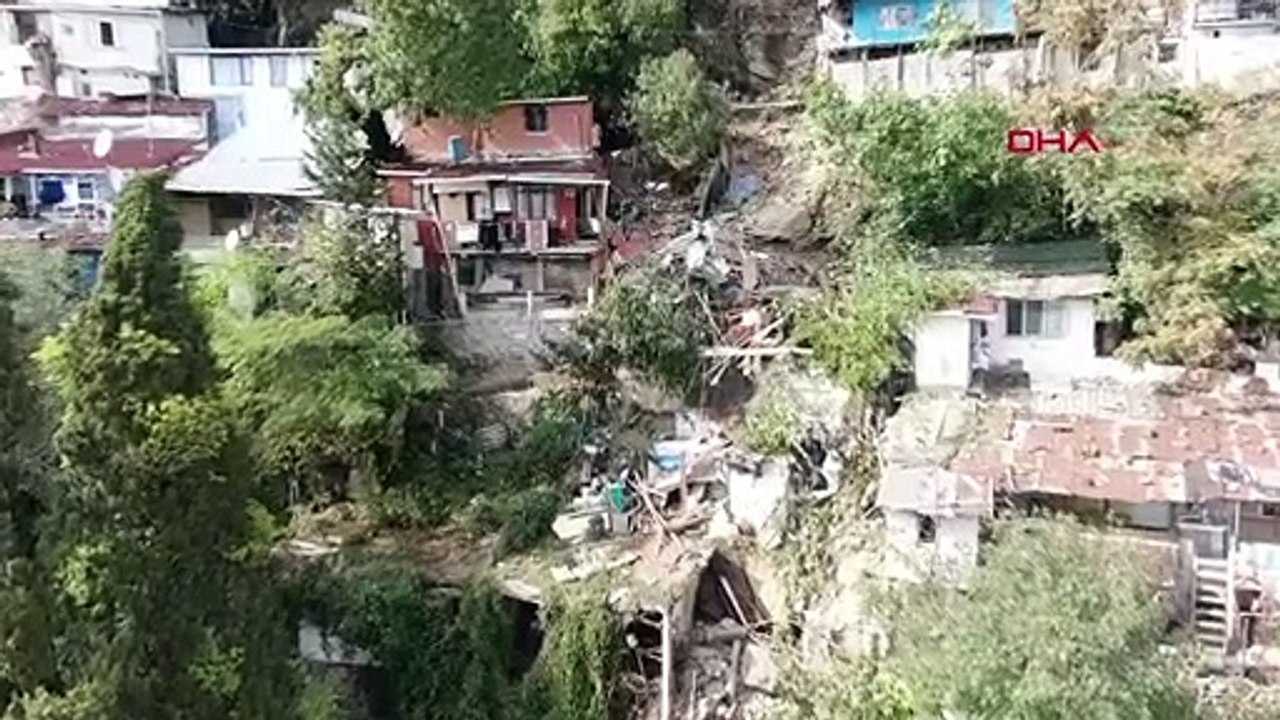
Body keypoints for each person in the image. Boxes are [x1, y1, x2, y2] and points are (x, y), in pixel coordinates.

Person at [969, 322, 991, 398]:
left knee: (980, 377)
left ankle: (980, 392)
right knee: (979, 378)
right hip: (980, 362)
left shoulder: (984, 340)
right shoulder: (983, 340)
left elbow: (980, 349)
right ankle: (979, 391)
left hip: (981, 362)